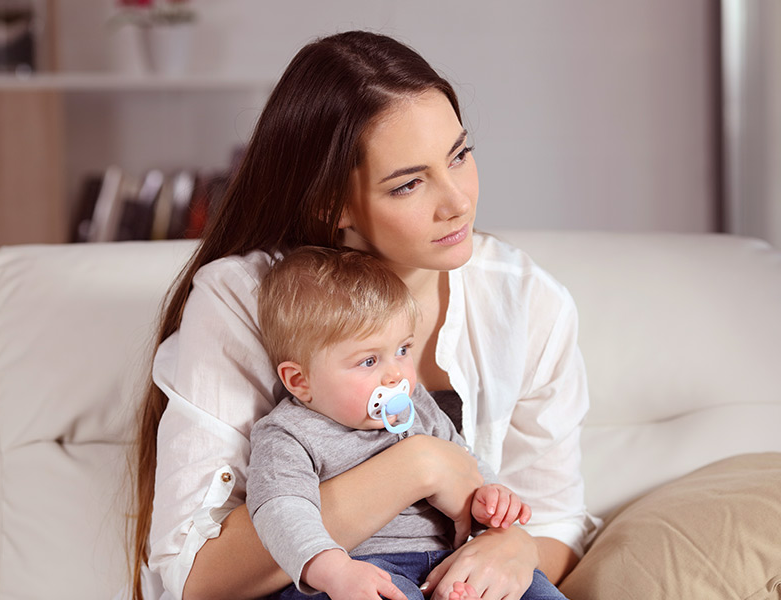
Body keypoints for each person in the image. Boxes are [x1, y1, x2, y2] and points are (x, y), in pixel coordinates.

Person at [130, 29, 599, 600]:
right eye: (408, 184)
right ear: (334, 205)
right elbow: (194, 578)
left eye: (460, 155)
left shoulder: (527, 303)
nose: (457, 202)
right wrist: (420, 465)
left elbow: (555, 519)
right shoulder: (243, 300)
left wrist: (514, 546)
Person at [249, 246, 565, 600]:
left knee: (536, 591)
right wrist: (332, 569)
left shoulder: (419, 407)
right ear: (300, 381)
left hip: (447, 561)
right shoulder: (288, 434)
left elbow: (466, 465)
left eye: (402, 349)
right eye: (369, 361)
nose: (395, 374)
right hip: (357, 568)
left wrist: (490, 500)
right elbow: (281, 510)